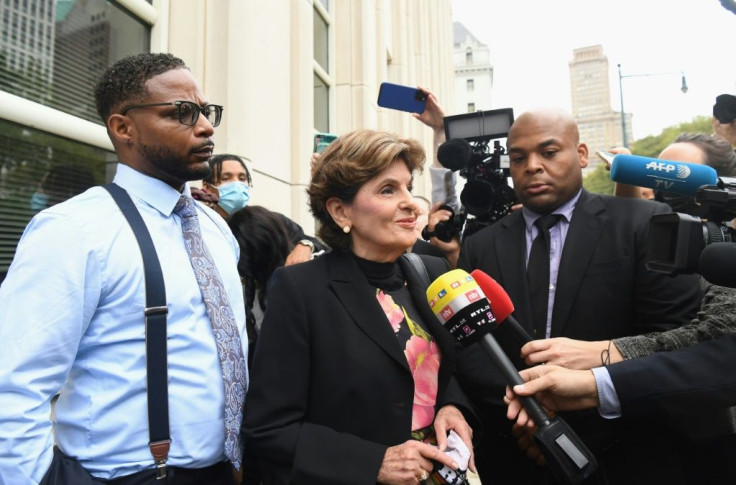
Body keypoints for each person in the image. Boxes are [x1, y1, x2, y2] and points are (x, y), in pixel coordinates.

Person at [0, 53, 247, 484]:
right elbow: (14, 385)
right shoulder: (74, 230)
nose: (205, 126)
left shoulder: (214, 228)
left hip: (226, 472)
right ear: (123, 128)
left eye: (206, 112)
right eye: (182, 113)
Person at [455, 107, 703, 485]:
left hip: (628, 450)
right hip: (519, 451)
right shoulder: (479, 245)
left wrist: (583, 400)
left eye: (549, 152)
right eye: (518, 158)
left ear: (582, 154)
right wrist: (529, 412)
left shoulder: (644, 222)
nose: (532, 166)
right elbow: (472, 348)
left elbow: (676, 334)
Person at [243, 129, 477, 484]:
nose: (411, 203)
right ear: (340, 211)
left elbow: (448, 369)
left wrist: (453, 407)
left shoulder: (432, 272)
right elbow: (269, 428)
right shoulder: (300, 290)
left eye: (408, 187)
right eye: (388, 189)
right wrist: (373, 463)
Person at [201, 153, 327, 265]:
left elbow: (313, 243)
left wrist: (306, 245)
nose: (237, 184)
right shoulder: (200, 225)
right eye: (226, 178)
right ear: (207, 187)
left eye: (242, 178)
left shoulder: (269, 221)